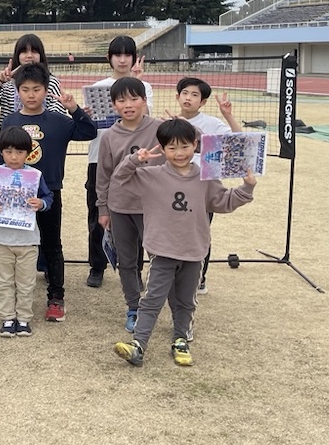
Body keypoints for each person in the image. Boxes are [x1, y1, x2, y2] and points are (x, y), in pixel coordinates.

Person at [112, 118, 256, 367]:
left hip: (193, 250)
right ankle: (138, 345)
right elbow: (120, 178)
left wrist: (247, 188)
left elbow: (222, 202)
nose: (179, 153)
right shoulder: (151, 175)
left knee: (186, 301)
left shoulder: (206, 177)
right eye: (172, 148)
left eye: (184, 147)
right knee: (152, 299)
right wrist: (136, 159)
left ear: (195, 145)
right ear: (163, 148)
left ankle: (180, 340)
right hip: (162, 249)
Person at [0, 64, 97, 322]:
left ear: (46, 89)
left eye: (37, 89)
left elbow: (89, 131)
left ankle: (56, 297)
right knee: (18, 245)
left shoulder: (58, 121)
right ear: (17, 91)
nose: (31, 95)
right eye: (25, 89)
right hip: (16, 195)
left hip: (49, 191)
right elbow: (2, 158)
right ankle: (18, 296)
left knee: (52, 244)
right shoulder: (11, 120)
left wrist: (73, 108)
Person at [95, 77, 164, 334]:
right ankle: (134, 306)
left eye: (134, 98)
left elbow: (188, 145)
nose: (128, 104)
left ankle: (154, 303)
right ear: (114, 105)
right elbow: (103, 176)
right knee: (126, 261)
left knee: (159, 258)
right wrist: (103, 209)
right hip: (120, 206)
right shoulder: (110, 136)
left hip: (153, 206)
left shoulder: (159, 128)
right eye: (121, 100)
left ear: (145, 101)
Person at [84, 35, 152, 289]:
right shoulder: (98, 86)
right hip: (99, 158)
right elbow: (89, 128)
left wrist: (138, 81)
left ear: (134, 58)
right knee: (98, 213)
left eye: (127, 55)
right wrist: (85, 115)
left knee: (139, 217)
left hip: (137, 161)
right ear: (109, 58)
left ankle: (135, 268)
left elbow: (150, 121)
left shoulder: (144, 87)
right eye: (117, 54)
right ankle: (97, 266)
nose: (122, 59)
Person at [0, 126, 53, 337]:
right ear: (1, 152)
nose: (13, 156)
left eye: (19, 152)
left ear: (28, 153)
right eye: (9, 151)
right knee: (4, 281)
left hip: (28, 240)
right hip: (2, 239)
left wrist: (41, 203)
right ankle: (8, 318)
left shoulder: (35, 175)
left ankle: (24, 318)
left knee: (26, 282)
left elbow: (48, 198)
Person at [172, 76, 243, 295]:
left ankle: (199, 279)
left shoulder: (212, 123)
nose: (189, 98)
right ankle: (173, 276)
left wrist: (228, 115)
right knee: (173, 231)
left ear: (202, 102)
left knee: (200, 232)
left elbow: (239, 141)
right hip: (173, 185)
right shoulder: (170, 122)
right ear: (177, 97)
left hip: (203, 186)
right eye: (185, 93)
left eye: (195, 95)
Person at [0, 33, 67, 128]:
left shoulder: (51, 83)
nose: (29, 56)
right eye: (24, 52)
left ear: (41, 55)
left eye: (34, 51)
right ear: (17, 55)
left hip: (42, 137)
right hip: (11, 138)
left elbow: (59, 115)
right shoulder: (7, 84)